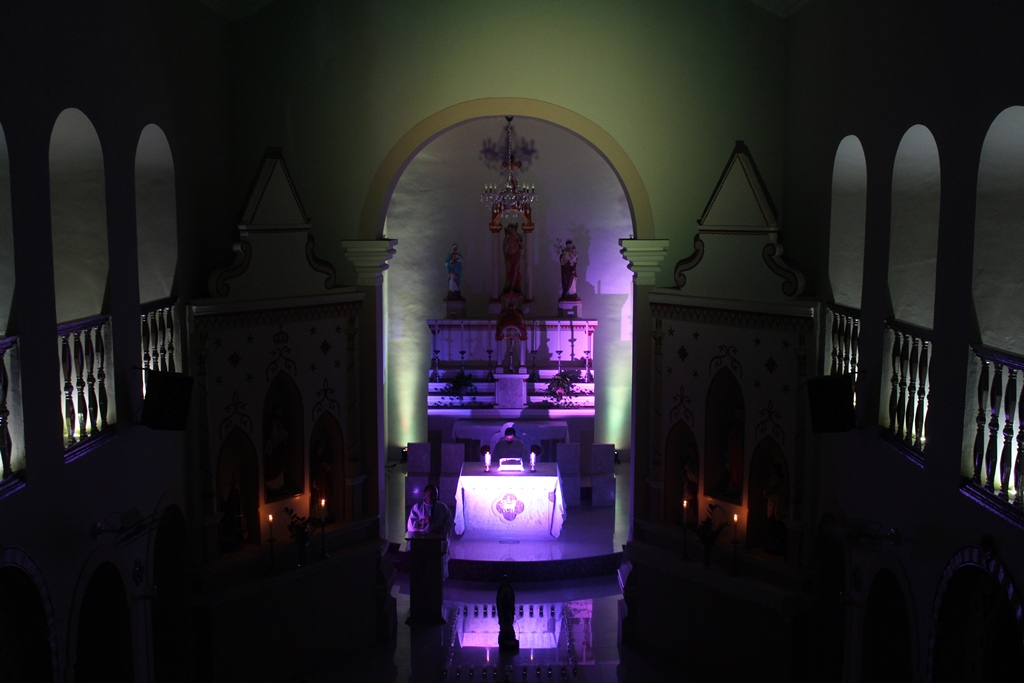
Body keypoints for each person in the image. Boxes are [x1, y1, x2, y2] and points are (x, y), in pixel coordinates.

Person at [503, 223, 523, 293]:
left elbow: (522, 246)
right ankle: (507, 284)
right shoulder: (508, 236)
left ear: (513, 229)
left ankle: (512, 286)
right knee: (508, 271)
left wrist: (519, 242)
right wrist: (504, 254)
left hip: (516, 255)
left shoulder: (518, 236)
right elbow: (504, 244)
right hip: (509, 255)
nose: (509, 231)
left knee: (515, 270)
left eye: (510, 230)